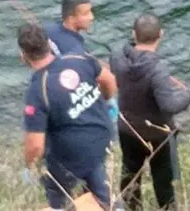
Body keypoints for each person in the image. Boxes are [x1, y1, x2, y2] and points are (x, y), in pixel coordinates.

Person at [19, 21, 118, 210]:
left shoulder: (38, 90)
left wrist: (30, 167)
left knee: (57, 192)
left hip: (70, 158)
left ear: (23, 55)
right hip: (102, 138)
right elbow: (109, 80)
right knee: (101, 187)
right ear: (49, 44)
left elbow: (36, 144)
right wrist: (105, 100)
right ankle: (107, 202)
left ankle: (60, 206)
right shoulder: (80, 59)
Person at [110, 13, 190, 210]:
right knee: (163, 179)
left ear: (134, 34)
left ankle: (131, 207)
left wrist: (130, 43)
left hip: (128, 129)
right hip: (158, 134)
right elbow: (169, 105)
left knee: (130, 173)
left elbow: (122, 52)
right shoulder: (158, 70)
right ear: (161, 35)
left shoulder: (118, 58)